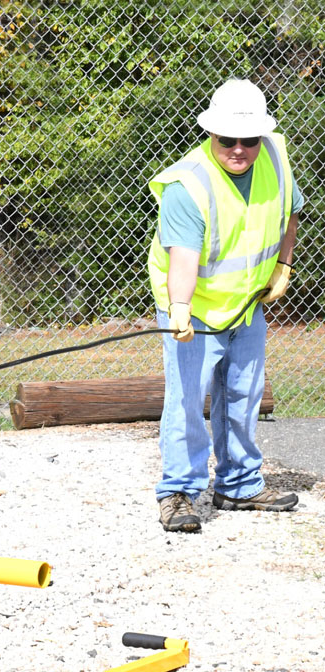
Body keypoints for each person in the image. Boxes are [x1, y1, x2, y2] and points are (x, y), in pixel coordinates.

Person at [147, 79, 301, 533]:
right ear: (209, 133)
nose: (239, 149)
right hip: (191, 308)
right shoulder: (187, 186)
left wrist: (284, 267)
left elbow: (290, 211)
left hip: (247, 303)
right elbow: (184, 259)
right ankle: (178, 491)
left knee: (244, 393)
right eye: (227, 139)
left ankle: (238, 484)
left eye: (249, 140)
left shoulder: (274, 155)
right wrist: (178, 308)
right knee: (187, 399)